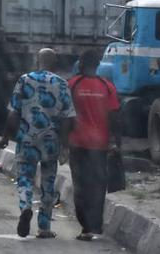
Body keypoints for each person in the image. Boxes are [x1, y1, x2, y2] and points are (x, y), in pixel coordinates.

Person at [0, 48, 76, 239]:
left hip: (27, 138)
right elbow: (68, 118)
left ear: (37, 60)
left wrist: (6, 135)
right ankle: (44, 227)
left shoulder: (25, 79)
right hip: (51, 141)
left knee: (25, 177)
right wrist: (65, 145)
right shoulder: (62, 84)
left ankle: (25, 206)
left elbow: (14, 112)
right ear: (55, 62)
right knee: (48, 183)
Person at [67, 49, 121, 242]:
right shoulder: (107, 86)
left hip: (78, 144)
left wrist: (63, 143)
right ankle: (95, 225)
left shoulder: (72, 84)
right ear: (98, 65)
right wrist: (116, 143)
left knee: (80, 185)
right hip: (100, 145)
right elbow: (114, 117)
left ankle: (86, 228)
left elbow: (67, 116)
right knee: (97, 185)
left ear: (81, 63)